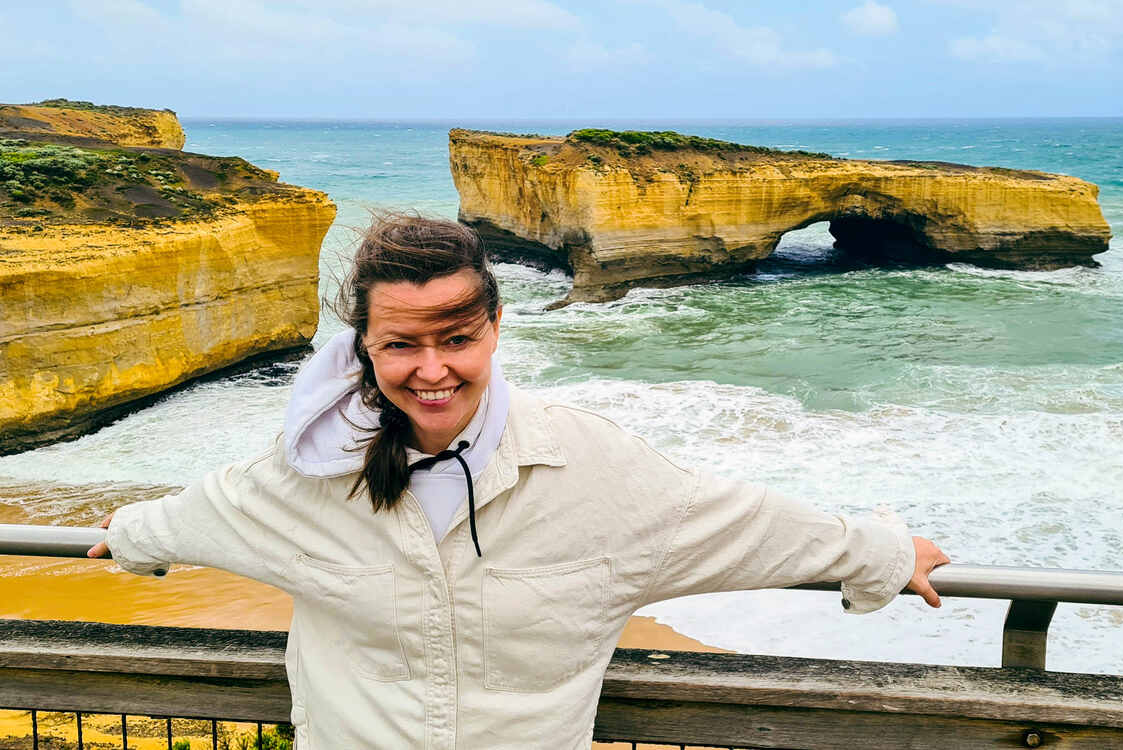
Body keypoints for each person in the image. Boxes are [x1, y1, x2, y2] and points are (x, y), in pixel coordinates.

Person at [89, 213, 949, 749]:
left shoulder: (596, 470)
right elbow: (192, 517)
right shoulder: (303, 477)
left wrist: (878, 553)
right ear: (363, 347)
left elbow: (740, 522)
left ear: (496, 326)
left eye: (457, 338)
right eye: (401, 345)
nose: (432, 370)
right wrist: (129, 539)